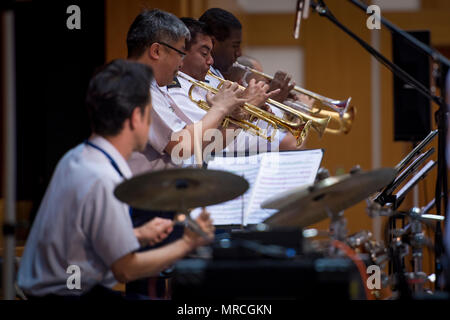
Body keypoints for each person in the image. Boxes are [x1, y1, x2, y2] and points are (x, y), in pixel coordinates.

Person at [16, 59, 215, 299]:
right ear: (135, 117)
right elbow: (126, 269)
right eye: (149, 114)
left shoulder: (78, 156)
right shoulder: (103, 178)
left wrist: (138, 235)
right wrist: (187, 243)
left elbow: (83, 239)